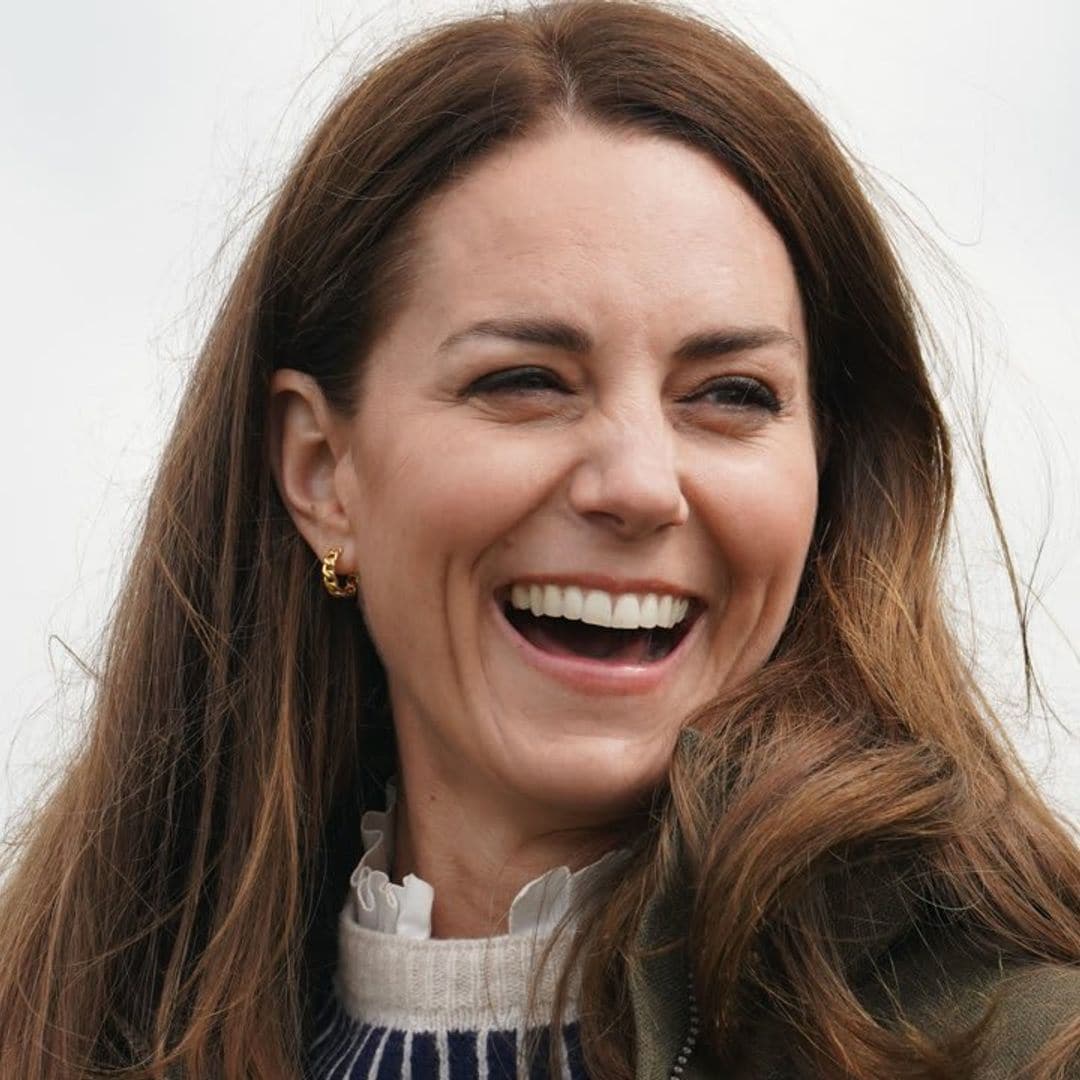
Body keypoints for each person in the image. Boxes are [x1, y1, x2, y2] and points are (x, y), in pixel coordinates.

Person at [1, 1, 1078, 1077]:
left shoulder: (1025, 1050)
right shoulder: (50, 1028)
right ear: (322, 472)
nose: (640, 485)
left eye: (731, 395)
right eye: (525, 382)